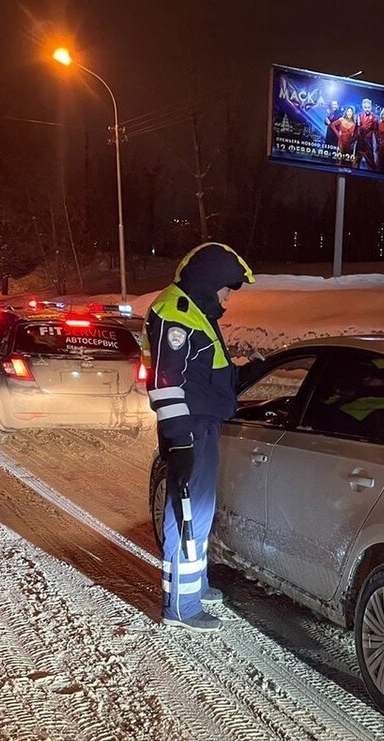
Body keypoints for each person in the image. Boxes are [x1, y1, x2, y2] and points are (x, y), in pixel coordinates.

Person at [146, 242, 255, 631]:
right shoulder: (175, 313)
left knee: (200, 512)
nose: (228, 297)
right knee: (186, 514)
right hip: (188, 429)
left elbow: (206, 372)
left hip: (201, 426)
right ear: (211, 281)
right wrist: (178, 439)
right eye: (227, 288)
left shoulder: (196, 312)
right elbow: (165, 384)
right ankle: (181, 607)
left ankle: (195, 584)